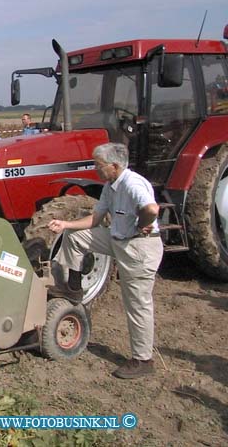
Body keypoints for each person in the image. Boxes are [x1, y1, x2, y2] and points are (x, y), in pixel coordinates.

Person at [47, 143, 162, 379]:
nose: (95, 169)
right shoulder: (111, 186)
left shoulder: (132, 183)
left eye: (98, 165)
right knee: (75, 236)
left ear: (114, 166)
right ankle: (74, 286)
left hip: (137, 247)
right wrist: (65, 225)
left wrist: (142, 223)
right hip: (117, 239)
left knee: (137, 304)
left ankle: (143, 359)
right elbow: (96, 219)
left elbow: (151, 208)